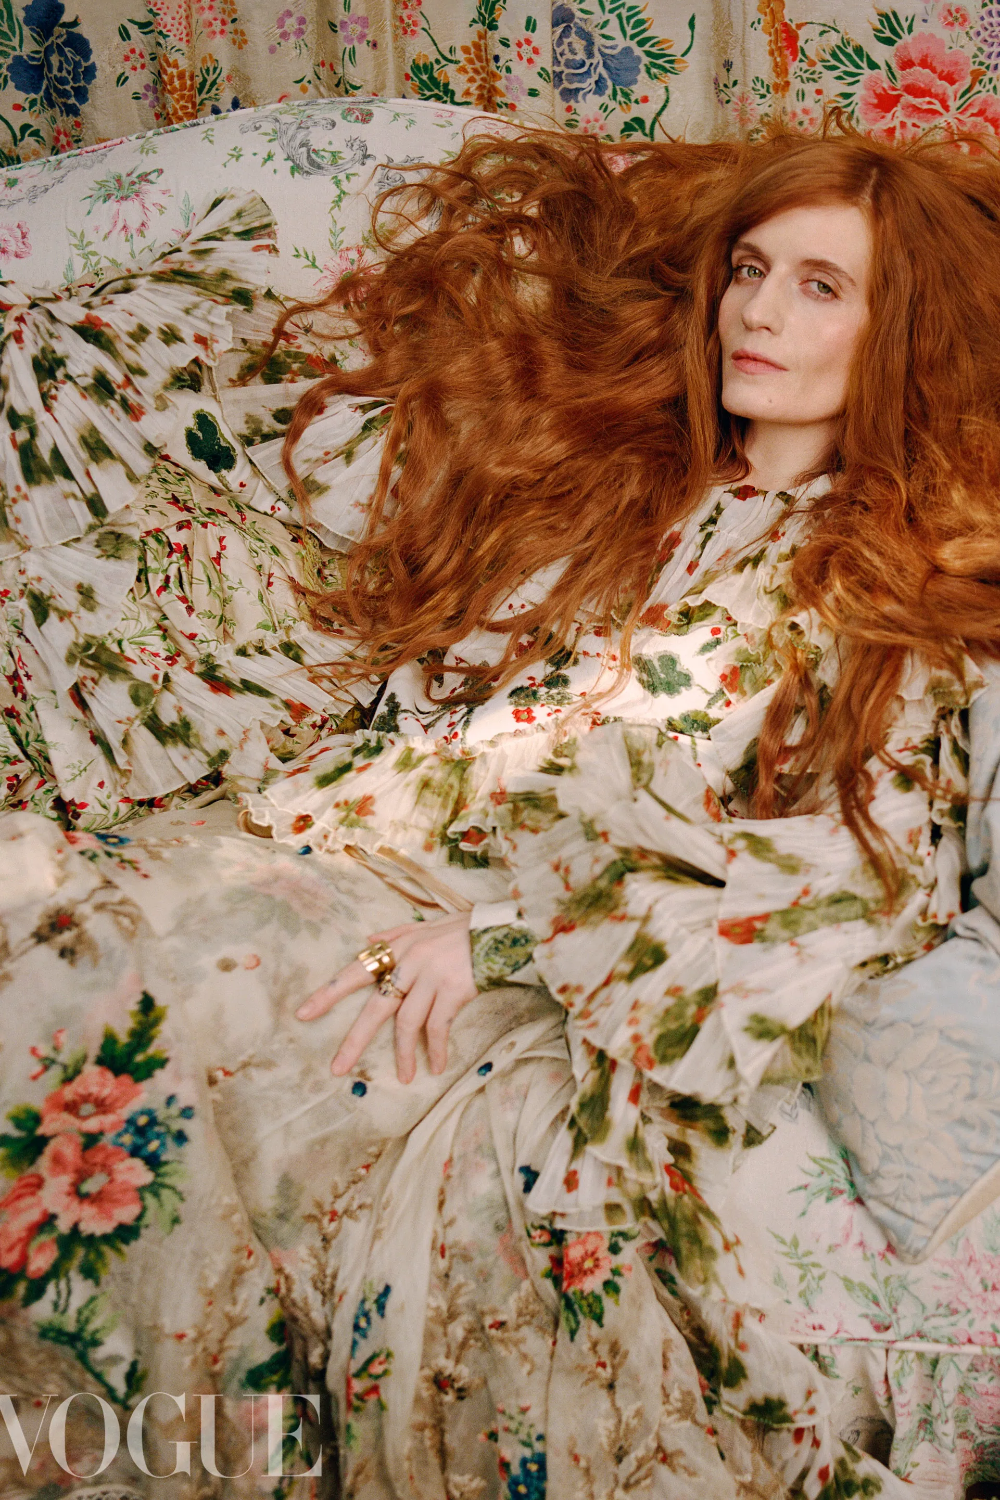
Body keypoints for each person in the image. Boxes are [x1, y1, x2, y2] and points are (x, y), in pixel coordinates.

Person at [1, 124, 999, 1496]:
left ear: (903, 334)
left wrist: (508, 941)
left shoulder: (885, 590)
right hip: (363, 850)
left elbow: (859, 887)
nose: (759, 312)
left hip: (532, 959)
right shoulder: (630, 482)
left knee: (119, 973)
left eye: (822, 286)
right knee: (54, 923)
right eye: (750, 268)